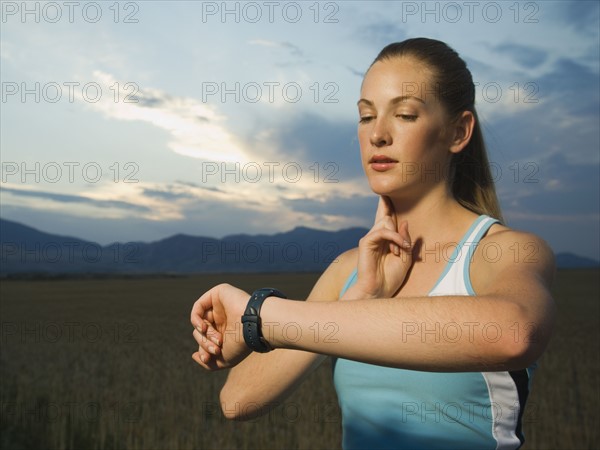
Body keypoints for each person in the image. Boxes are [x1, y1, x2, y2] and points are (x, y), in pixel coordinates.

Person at [190, 37, 556, 449]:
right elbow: (238, 401)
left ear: (458, 131)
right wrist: (360, 296)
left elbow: (513, 333)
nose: (378, 134)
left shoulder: (502, 250)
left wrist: (263, 316)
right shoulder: (350, 271)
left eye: (404, 114)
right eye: (366, 117)